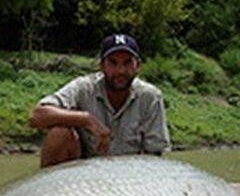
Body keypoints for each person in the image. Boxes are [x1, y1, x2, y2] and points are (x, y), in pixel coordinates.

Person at [28, 33, 171, 167]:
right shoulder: (83, 88)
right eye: (113, 63)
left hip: (130, 177)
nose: (120, 71)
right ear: (102, 66)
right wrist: (86, 119)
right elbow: (37, 116)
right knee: (59, 132)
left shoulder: (150, 97)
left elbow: (154, 157)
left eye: (127, 63)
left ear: (137, 66)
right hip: (83, 173)